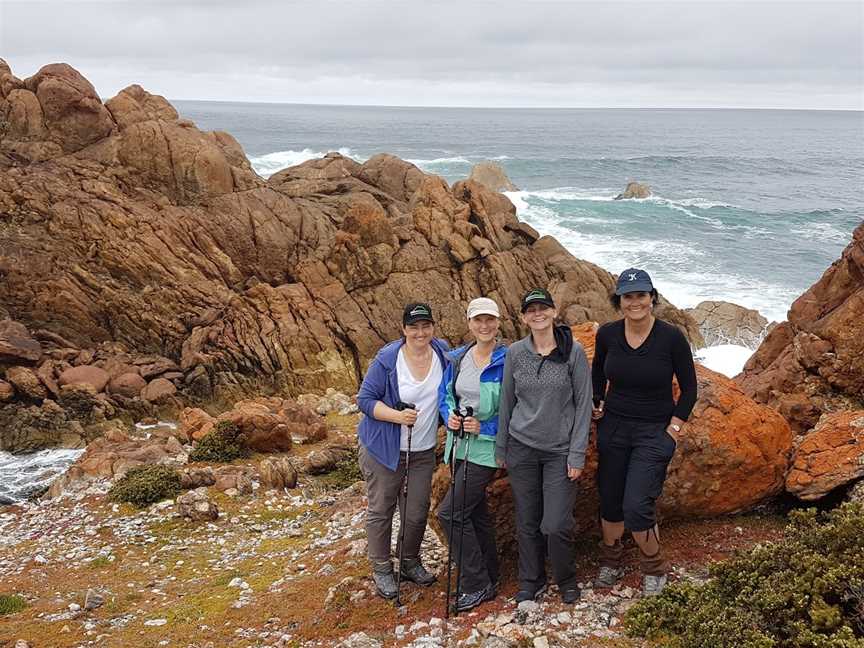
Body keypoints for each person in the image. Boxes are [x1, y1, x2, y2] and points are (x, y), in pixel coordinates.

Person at [591, 268, 698, 597]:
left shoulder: (671, 337)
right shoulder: (607, 334)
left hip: (654, 431)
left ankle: (654, 566)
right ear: (619, 301)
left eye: (641, 295)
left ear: (652, 298)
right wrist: (597, 403)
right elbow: (598, 373)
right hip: (614, 428)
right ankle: (611, 559)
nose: (634, 302)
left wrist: (673, 429)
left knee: (637, 505)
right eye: (628, 296)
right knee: (609, 500)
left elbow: (690, 389)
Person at [496, 288, 593, 605]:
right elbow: (507, 402)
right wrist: (502, 449)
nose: (537, 314)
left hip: (559, 451)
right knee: (526, 520)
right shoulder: (515, 353)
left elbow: (584, 404)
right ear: (524, 317)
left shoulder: (573, 352)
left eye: (543, 308)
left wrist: (576, 452)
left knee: (555, 524)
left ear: (553, 312)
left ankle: (566, 578)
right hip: (521, 447)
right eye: (531, 310)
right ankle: (530, 580)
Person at [356, 302, 450, 599]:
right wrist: (397, 417)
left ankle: (409, 561)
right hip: (384, 449)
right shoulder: (387, 360)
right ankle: (382, 568)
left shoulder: (443, 353)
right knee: (382, 509)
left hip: (421, 450)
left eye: (425, 326)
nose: (420, 332)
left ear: (433, 327)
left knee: (417, 510)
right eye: (413, 327)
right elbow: (365, 400)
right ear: (403, 329)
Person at [437, 297, 507, 613]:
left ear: (498, 322)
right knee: (475, 513)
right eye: (478, 320)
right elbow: (445, 396)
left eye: (489, 320)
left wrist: (485, 425)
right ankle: (490, 576)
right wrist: (449, 415)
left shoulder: (507, 360)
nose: (484, 326)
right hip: (458, 446)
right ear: (469, 323)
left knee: (449, 513)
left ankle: (475, 583)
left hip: (486, 449)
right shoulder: (457, 358)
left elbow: (512, 408)